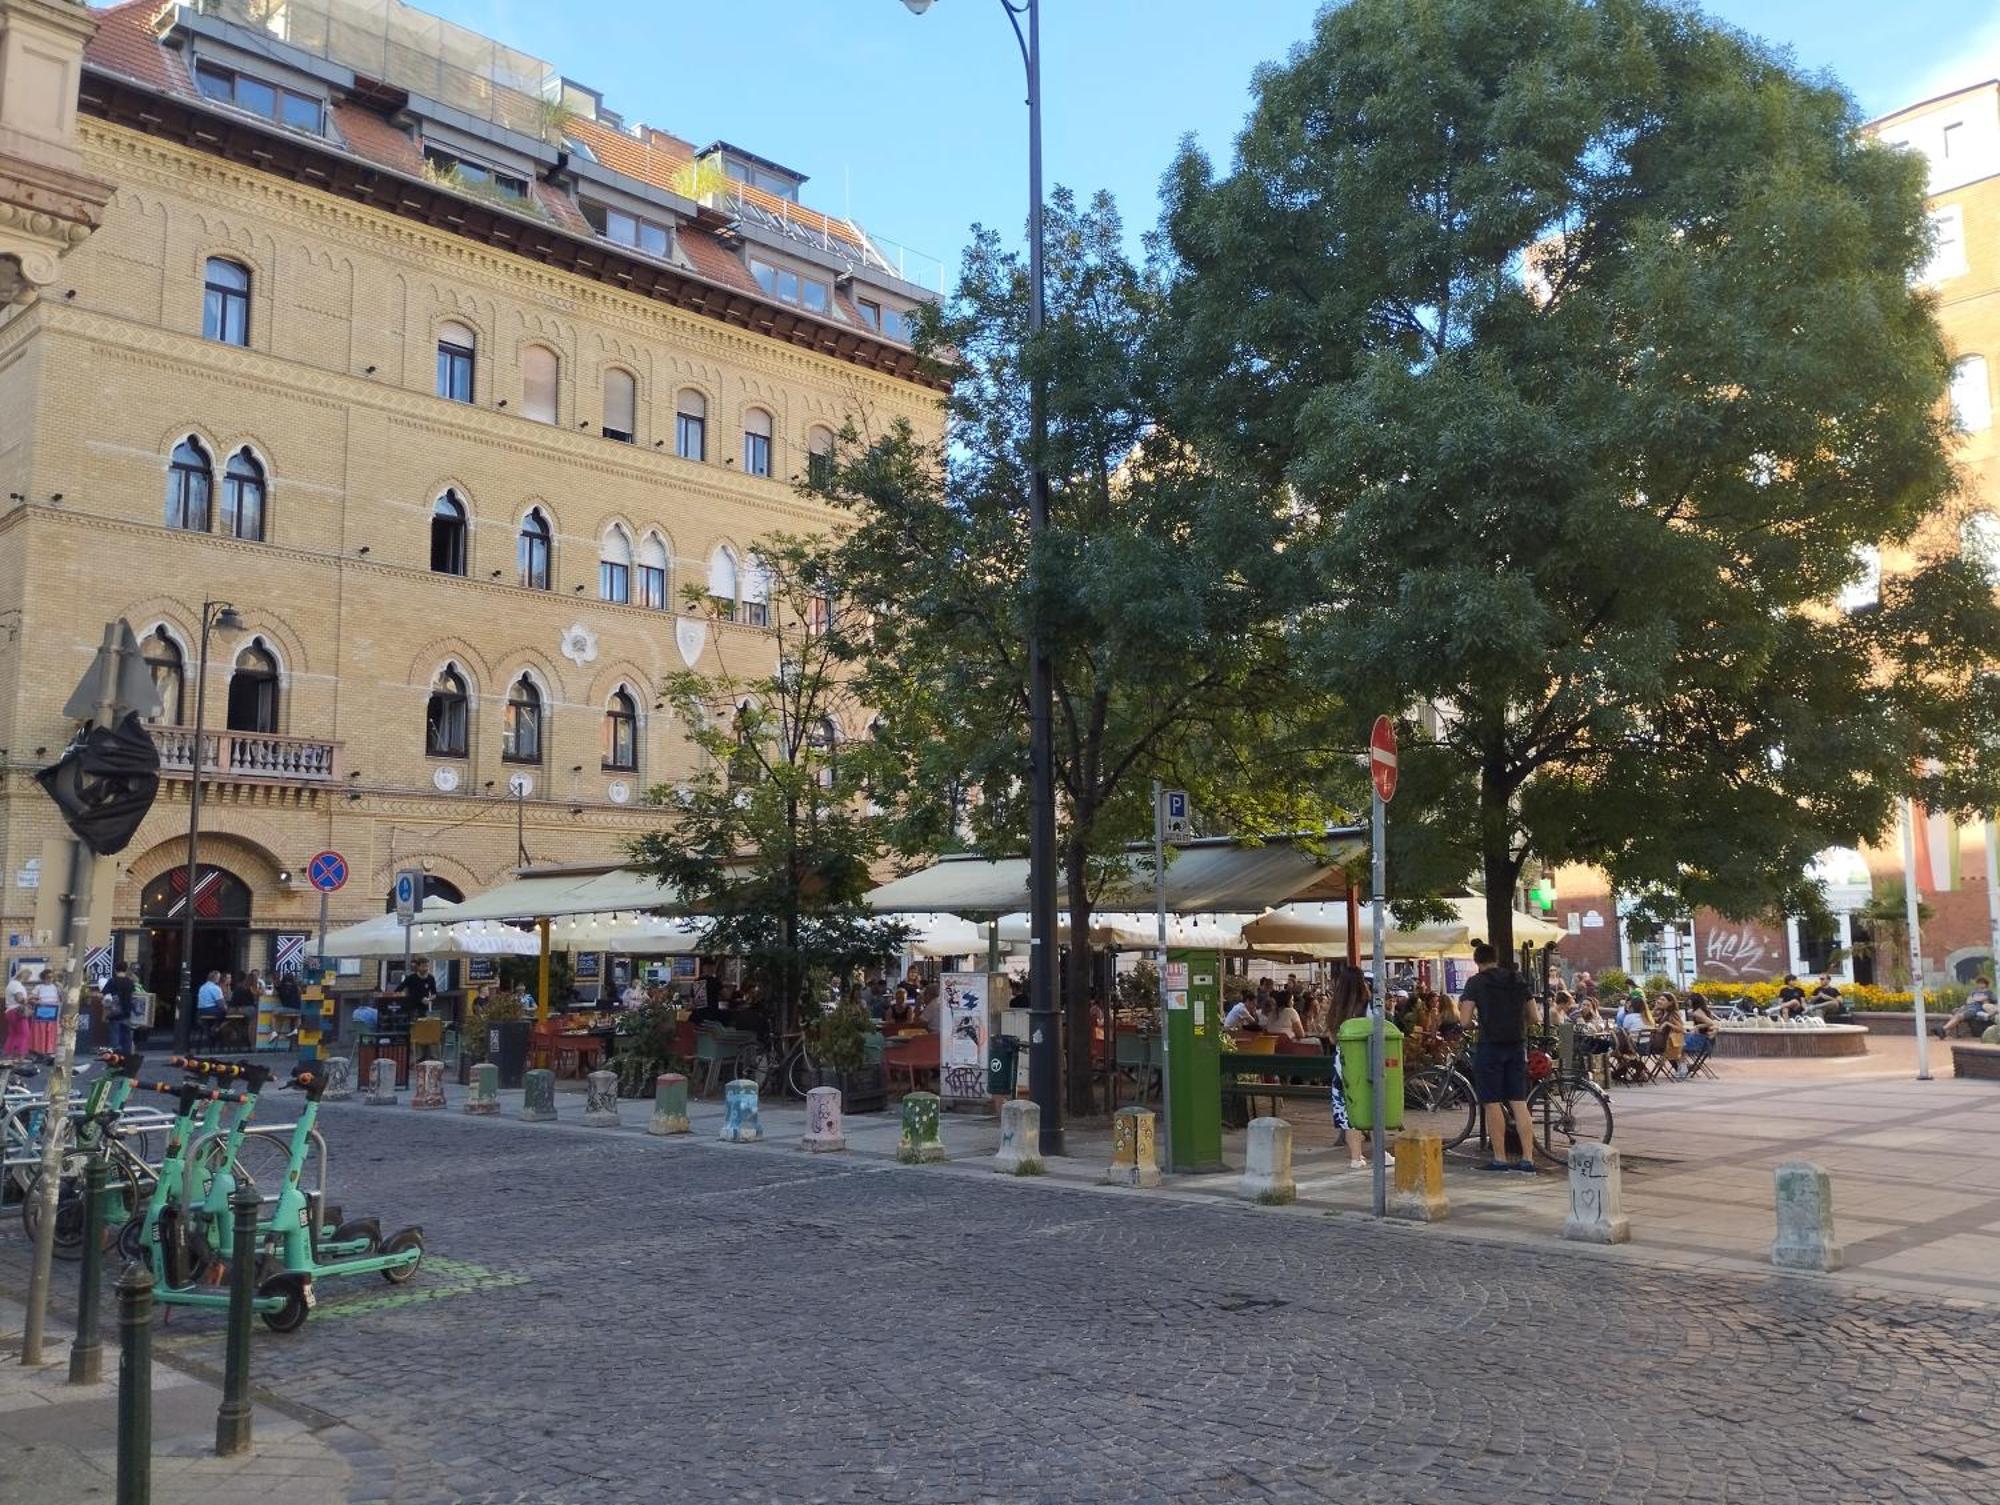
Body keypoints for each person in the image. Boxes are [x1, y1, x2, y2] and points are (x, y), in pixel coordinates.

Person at [1459, 943, 1539, 1172]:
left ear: (1477, 962)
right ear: (1496, 958)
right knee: (1519, 1102)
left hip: (1489, 1046)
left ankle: (1500, 1158)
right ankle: (1527, 1159)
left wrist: (1475, 1024)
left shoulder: (1476, 982)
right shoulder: (1518, 979)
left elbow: (1464, 1020)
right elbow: (1534, 1016)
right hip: (1516, 1045)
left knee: (1492, 1103)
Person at [103, 959, 138, 1055]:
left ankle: (116, 1057)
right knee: (127, 1037)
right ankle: (126, 1057)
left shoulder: (112, 981)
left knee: (115, 1037)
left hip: (114, 1013)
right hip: (127, 1012)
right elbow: (135, 994)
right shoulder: (130, 982)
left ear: (115, 970)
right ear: (126, 970)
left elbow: (105, 995)